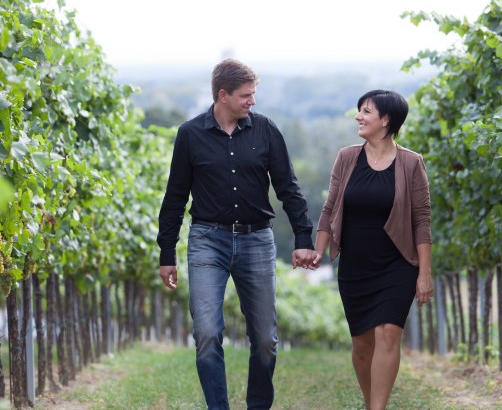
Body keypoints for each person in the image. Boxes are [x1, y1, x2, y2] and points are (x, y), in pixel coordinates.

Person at [157, 58, 316, 410]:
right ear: (223, 95)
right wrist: (167, 253)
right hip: (207, 242)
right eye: (246, 95)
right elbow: (175, 198)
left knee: (265, 340)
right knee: (206, 333)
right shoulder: (190, 135)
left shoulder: (266, 130)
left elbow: (289, 188)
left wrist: (303, 238)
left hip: (257, 241)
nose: (252, 101)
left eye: (253, 94)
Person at [308, 89, 433, 410]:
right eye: (359, 110)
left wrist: (424, 273)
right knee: (363, 345)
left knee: (388, 332)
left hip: (397, 264)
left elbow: (421, 220)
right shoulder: (347, 158)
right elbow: (329, 208)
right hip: (356, 264)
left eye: (366, 111)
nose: (358, 117)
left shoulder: (411, 163)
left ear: (386, 120)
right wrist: (319, 251)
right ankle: (369, 404)